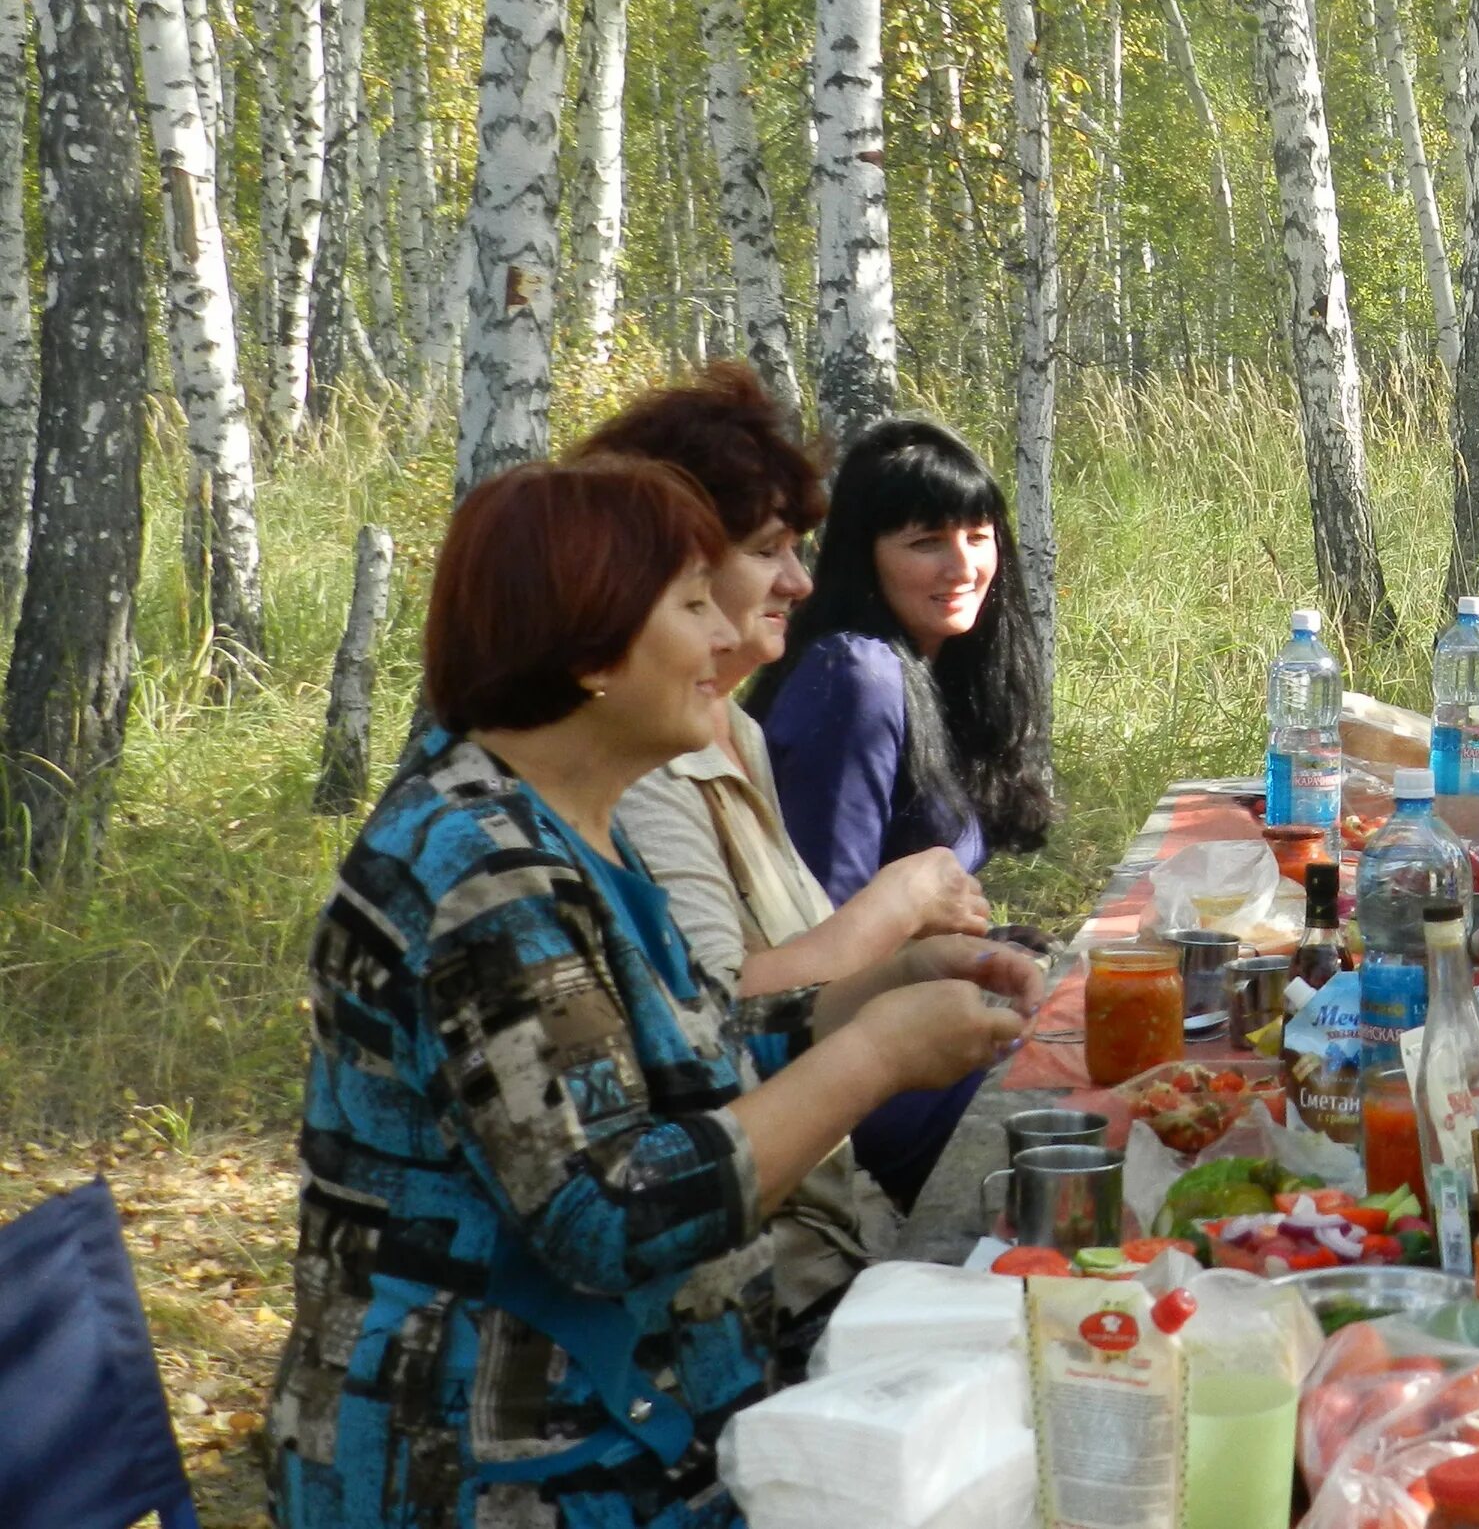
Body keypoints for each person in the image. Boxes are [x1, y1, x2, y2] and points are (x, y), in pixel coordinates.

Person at [268, 459, 1035, 1529]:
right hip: (490, 1467)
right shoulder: (477, 875)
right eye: (690, 608)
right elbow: (609, 1211)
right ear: (589, 649)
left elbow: (676, 1052)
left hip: (634, 1423)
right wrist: (876, 1059)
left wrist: (877, 989)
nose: (728, 637)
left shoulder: (567, 825)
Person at [581, 367, 994, 1327]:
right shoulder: (580, 796)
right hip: (759, 1306)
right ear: (649, 572)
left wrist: (911, 970)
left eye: (978, 536)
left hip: (834, 1232)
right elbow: (616, 1206)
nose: (800, 583)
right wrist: (885, 1020)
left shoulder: (728, 728)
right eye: (768, 550)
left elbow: (720, 1029)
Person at [749, 421, 1048, 1200]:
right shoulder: (857, 676)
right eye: (925, 542)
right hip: (857, 1077)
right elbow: (820, 942)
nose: (963, 566)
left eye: (979, 536)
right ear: (862, 555)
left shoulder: (930, 669)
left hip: (910, 1024)